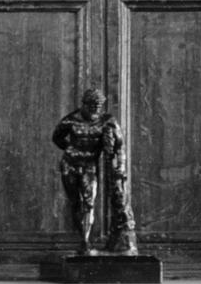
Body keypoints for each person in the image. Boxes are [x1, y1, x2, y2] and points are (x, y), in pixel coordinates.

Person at [52, 88, 138, 256]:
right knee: (76, 202)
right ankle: (83, 238)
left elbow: (119, 147)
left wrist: (119, 166)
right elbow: (57, 137)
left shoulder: (107, 122)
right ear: (83, 105)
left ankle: (85, 242)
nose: (94, 110)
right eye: (91, 106)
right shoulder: (70, 121)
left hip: (90, 165)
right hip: (70, 164)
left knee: (88, 202)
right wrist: (71, 149)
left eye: (97, 107)